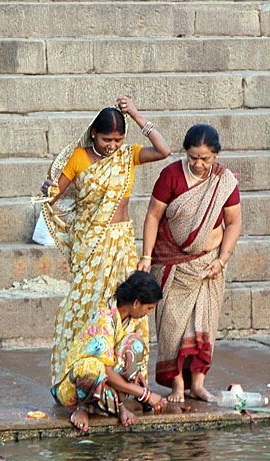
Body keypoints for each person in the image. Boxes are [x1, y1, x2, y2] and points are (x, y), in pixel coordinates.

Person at [39, 97, 171, 391]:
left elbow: (164, 150)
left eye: (117, 139)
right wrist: (47, 188)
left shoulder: (128, 155)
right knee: (91, 308)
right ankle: (86, 379)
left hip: (121, 243)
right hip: (91, 245)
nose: (112, 145)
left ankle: (127, 380)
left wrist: (136, 115)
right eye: (106, 139)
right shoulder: (78, 158)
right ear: (93, 134)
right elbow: (53, 197)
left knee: (127, 304)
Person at [137, 125, 242, 403]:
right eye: (193, 157)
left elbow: (233, 223)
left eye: (205, 159)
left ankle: (197, 385)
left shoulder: (224, 181)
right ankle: (177, 386)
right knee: (172, 325)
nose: (198, 164)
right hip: (171, 264)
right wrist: (146, 256)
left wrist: (222, 260)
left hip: (208, 266)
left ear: (216, 156)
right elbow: (152, 216)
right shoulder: (170, 175)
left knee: (202, 326)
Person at [51, 271, 168, 431]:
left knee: (135, 343)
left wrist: (137, 376)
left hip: (104, 380)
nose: (148, 314)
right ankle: (82, 408)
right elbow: (105, 371)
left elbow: (120, 357)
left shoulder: (128, 318)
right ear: (136, 303)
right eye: (149, 308)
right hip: (74, 387)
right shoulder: (103, 319)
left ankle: (118, 405)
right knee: (92, 367)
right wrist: (145, 395)